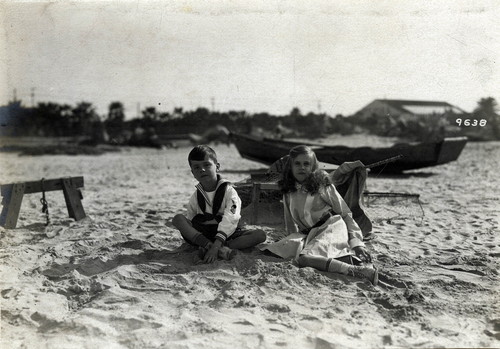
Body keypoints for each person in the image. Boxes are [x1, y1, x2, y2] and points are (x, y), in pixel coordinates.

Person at [262, 145, 378, 285]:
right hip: (309, 233)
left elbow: (345, 213)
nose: (302, 167)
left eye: (307, 164)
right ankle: (350, 261)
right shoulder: (288, 191)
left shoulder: (322, 185)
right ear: (290, 167)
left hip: (331, 227)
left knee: (304, 259)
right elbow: (290, 223)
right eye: (297, 163)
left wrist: (357, 243)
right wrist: (291, 241)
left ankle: (355, 270)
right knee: (271, 251)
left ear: (312, 167)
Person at [173, 145, 267, 263]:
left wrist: (217, 244)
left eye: (206, 165)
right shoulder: (196, 196)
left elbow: (231, 217)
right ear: (193, 173)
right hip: (204, 236)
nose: (202, 169)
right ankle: (208, 246)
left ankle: (220, 248)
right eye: (197, 167)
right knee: (178, 219)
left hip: (227, 234)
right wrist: (201, 239)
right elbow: (192, 220)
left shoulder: (229, 192)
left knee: (260, 235)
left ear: (217, 167)